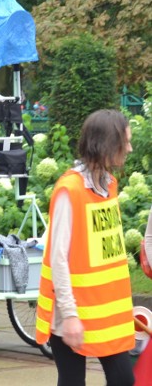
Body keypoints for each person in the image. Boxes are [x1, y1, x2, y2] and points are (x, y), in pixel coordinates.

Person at [35, 109, 135, 385]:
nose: (129, 148)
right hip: (73, 313)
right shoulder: (70, 189)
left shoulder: (109, 185)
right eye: (124, 142)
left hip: (105, 314)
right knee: (72, 381)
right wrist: (69, 316)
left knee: (124, 379)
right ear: (106, 143)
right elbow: (59, 259)